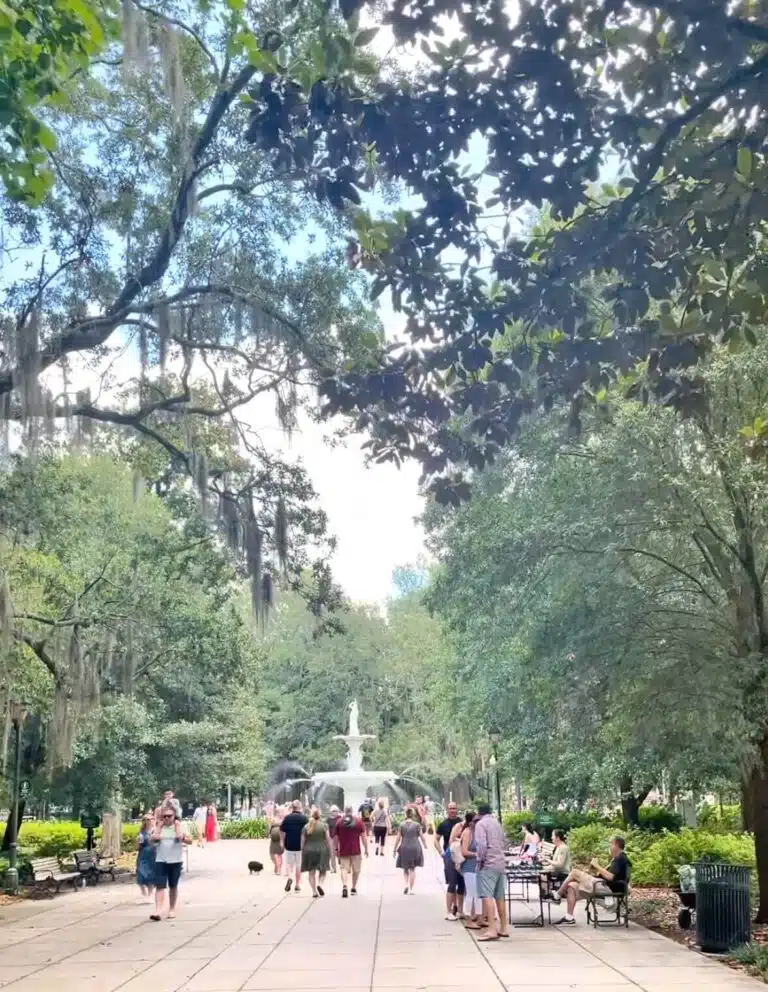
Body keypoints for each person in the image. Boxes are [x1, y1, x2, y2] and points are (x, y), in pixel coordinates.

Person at [549, 835, 630, 926]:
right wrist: (594, 871)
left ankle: (557, 895)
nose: (610, 847)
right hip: (602, 885)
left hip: (608, 889)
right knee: (571, 886)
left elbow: (611, 877)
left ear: (616, 845)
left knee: (574, 872)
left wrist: (596, 865)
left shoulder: (621, 858)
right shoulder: (617, 859)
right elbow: (609, 875)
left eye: (611, 844)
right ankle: (569, 917)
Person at [474, 803, 509, 941]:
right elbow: (504, 842)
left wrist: (480, 860)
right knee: (499, 896)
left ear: (479, 813)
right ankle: (504, 927)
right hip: (500, 863)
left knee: (487, 896)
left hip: (488, 864)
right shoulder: (497, 823)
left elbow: (481, 845)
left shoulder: (481, 824)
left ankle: (492, 929)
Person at [150, 806, 191, 921]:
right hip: (160, 860)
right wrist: (156, 834)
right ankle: (158, 911)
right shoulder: (159, 827)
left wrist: (181, 835)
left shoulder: (180, 826)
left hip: (175, 860)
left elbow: (190, 840)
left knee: (173, 886)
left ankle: (171, 909)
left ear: (174, 816)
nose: (167, 818)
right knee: (160, 886)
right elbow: (151, 839)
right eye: (164, 816)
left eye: (169, 816)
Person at [435, 801, 464, 920]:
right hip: (449, 856)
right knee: (452, 883)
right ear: (447, 810)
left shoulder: (462, 823)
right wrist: (441, 853)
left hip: (461, 855)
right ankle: (449, 911)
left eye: (454, 808)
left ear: (457, 810)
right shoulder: (443, 824)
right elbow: (436, 840)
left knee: (462, 884)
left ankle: (460, 910)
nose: (452, 810)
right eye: (450, 808)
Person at [460, 812, 486, 930]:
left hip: (478, 867)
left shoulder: (477, 833)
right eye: (475, 821)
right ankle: (468, 919)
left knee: (479, 893)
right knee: (471, 893)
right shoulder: (467, 833)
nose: (477, 823)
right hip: (469, 867)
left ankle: (480, 918)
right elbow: (464, 851)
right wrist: (477, 854)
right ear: (470, 822)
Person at [335, 805, 368, 897]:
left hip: (343, 850)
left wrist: (336, 848)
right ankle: (353, 888)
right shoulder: (358, 822)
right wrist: (366, 849)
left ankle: (345, 885)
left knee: (344, 869)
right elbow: (363, 837)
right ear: (352, 810)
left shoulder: (339, 822)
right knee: (356, 870)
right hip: (356, 850)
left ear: (344, 811)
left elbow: (336, 837)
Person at [301, 808, 333, 897]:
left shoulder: (306, 826)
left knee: (311, 872)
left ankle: (314, 892)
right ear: (320, 816)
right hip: (321, 850)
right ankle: (320, 884)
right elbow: (328, 839)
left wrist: (301, 852)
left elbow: (302, 841)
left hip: (309, 850)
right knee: (323, 870)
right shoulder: (324, 826)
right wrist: (330, 851)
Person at [394, 807, 427, 895]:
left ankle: (406, 884)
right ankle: (411, 889)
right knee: (412, 869)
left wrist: (394, 848)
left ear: (406, 815)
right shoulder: (417, 825)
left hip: (404, 846)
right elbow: (422, 836)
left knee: (405, 868)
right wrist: (425, 845)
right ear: (413, 815)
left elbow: (398, 838)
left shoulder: (401, 825)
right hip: (415, 846)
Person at [280, 799, 308, 892]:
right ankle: (297, 884)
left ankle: (290, 877)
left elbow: (282, 830)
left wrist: (282, 841)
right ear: (300, 807)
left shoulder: (287, 818)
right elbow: (308, 831)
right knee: (298, 865)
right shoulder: (304, 818)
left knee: (289, 864)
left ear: (292, 807)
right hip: (300, 845)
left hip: (289, 844)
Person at [136, 813, 156, 901]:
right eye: (146, 819)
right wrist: (137, 842)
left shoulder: (156, 831)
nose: (149, 821)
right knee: (141, 873)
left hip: (153, 855)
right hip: (143, 855)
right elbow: (137, 847)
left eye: (150, 819)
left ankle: (150, 895)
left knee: (151, 875)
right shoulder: (141, 833)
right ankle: (143, 893)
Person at [327, 804, 342, 872]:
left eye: (335, 811)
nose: (334, 812)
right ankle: (333, 868)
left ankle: (342, 865)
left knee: (340, 851)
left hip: (340, 837)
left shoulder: (340, 818)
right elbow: (327, 828)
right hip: (331, 837)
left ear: (338, 811)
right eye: (333, 811)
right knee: (332, 853)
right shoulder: (329, 819)